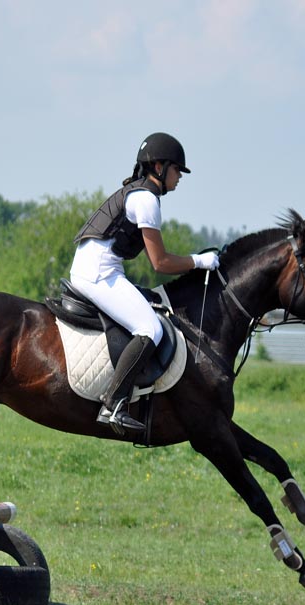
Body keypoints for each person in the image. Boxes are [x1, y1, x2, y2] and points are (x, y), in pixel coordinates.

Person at [71, 132, 220, 434]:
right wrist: (199, 260)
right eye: (177, 170)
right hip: (99, 273)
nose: (179, 177)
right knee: (149, 328)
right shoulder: (146, 200)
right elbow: (161, 263)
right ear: (159, 167)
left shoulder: (136, 192)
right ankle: (113, 403)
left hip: (97, 268)